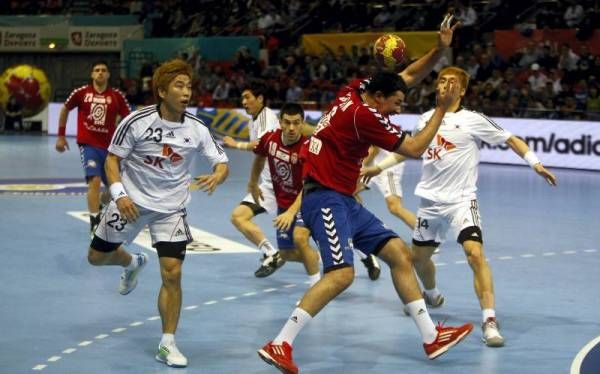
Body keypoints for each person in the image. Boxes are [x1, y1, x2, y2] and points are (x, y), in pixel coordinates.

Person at [258, 15, 474, 374]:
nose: (400, 108)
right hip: (324, 197)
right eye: (396, 103)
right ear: (378, 98)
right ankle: (280, 344)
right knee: (341, 275)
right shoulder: (366, 116)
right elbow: (417, 148)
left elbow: (405, 77)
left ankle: (431, 336)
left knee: (399, 255)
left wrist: (440, 49)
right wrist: (441, 107)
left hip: (343, 198)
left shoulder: (353, 91)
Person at [363, 66, 557, 348]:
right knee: (418, 260)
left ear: (462, 90)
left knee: (475, 255)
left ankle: (489, 320)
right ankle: (430, 293)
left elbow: (512, 139)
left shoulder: (473, 120)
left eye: (452, 82)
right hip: (429, 203)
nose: (445, 85)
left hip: (462, 202)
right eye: (441, 80)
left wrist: (535, 163)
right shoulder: (426, 118)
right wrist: (377, 167)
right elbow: (408, 152)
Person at [87, 59, 229, 368]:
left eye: (189, 86)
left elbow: (221, 162)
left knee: (173, 274)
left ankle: (167, 342)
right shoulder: (136, 122)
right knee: (96, 258)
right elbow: (112, 161)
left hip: (171, 210)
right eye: (179, 86)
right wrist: (119, 195)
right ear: (162, 91)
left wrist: (219, 174)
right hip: (131, 204)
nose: (186, 92)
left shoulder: (196, 128)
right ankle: (132, 261)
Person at [249, 102, 321, 287]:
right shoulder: (270, 139)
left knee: (299, 239)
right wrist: (253, 183)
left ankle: (316, 287)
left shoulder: (307, 148)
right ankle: (321, 258)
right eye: (287, 122)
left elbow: (307, 186)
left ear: (302, 123)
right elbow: (259, 157)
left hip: (307, 201)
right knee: (287, 253)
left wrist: (291, 213)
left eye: (297, 123)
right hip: (283, 203)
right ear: (280, 122)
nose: (291, 128)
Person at [55, 61, 131, 236]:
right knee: (94, 181)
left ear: (108, 75)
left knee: (114, 189)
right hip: (88, 145)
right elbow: (65, 109)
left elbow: (129, 119)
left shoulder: (117, 96)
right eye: (97, 70)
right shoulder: (81, 93)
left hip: (110, 149)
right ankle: (95, 222)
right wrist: (61, 136)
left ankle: (101, 205)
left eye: (104, 70)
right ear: (92, 74)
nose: (100, 73)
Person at [222, 81, 286, 277]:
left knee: (310, 235)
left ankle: (362, 254)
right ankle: (271, 253)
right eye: (242, 98)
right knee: (238, 217)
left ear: (260, 99)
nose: (244, 102)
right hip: (268, 185)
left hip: (286, 184)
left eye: (247, 97)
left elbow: (261, 145)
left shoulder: (268, 116)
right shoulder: (253, 121)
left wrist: (236, 145)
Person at [360, 145, 416, 230]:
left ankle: (426, 235)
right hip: (373, 164)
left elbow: (374, 151)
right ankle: (358, 228)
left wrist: (361, 166)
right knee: (350, 192)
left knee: (395, 207)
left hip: (387, 168)